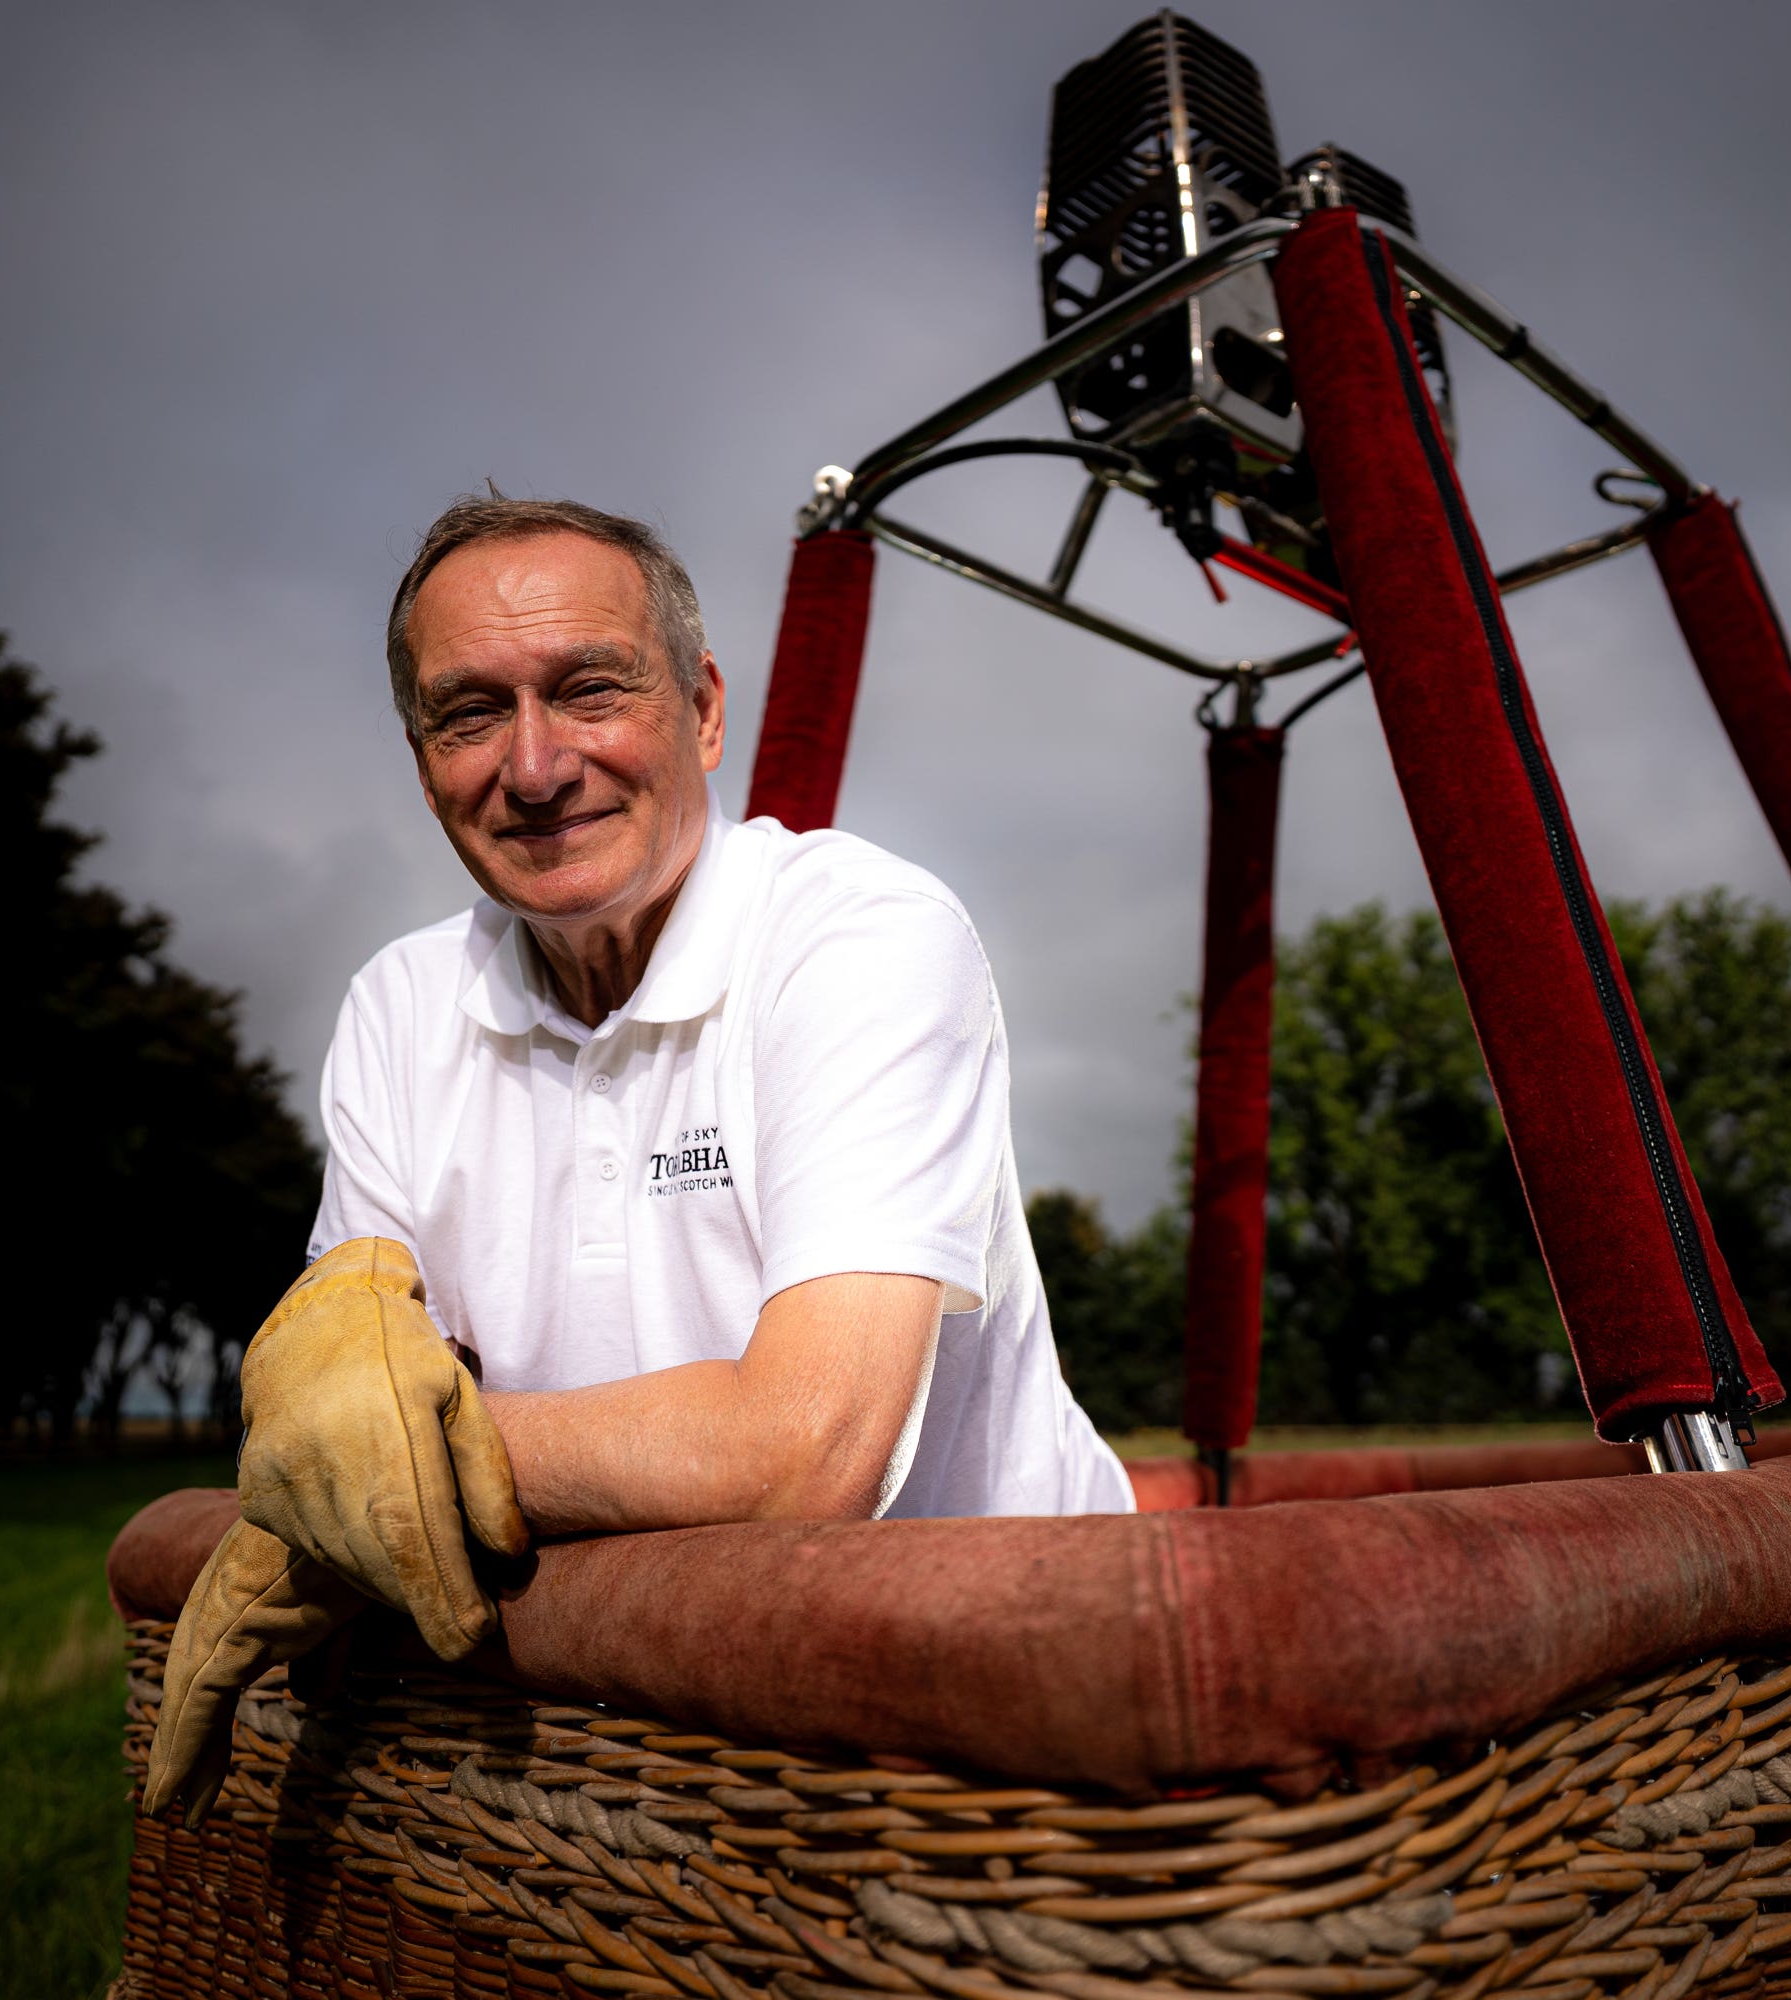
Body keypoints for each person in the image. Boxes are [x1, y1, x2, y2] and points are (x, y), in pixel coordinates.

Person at [145, 496, 1131, 1817]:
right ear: (420, 753)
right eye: (470, 713)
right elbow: (353, 1381)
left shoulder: (863, 934)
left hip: (1008, 1714)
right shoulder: (397, 1008)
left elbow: (805, 1457)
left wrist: (405, 1458)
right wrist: (359, 1437)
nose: (537, 765)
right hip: (642, 1725)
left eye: (588, 689)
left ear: (706, 710)